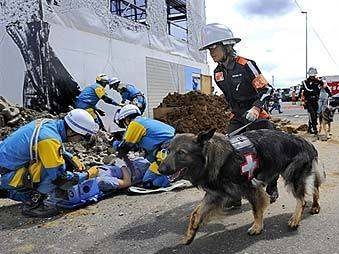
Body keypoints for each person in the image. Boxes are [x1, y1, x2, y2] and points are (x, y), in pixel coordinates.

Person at [199, 23, 278, 205]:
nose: (211, 53)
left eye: (214, 47)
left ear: (227, 45)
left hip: (257, 115)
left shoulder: (246, 65)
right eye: (209, 49)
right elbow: (228, 96)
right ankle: (234, 196)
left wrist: (256, 108)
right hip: (237, 117)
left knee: (270, 152)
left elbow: (267, 90)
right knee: (231, 154)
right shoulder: (218, 73)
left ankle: (272, 185)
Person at [0, 109, 100, 217]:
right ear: (71, 131)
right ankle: (32, 205)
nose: (78, 140)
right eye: (81, 137)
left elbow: (57, 149)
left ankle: (5, 191)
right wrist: (88, 174)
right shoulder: (49, 140)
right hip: (8, 176)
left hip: (7, 168)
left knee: (60, 162)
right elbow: (60, 179)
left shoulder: (49, 124)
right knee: (53, 174)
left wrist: (73, 157)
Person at [114, 104, 175, 188]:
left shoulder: (135, 124)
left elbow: (124, 148)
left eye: (124, 121)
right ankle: (171, 172)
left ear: (127, 119)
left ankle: (170, 176)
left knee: (148, 182)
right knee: (149, 156)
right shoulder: (144, 121)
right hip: (174, 147)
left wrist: (118, 160)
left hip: (168, 152)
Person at [299, 67, 322, 134]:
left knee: (315, 115)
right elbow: (304, 91)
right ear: (309, 75)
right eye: (311, 76)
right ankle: (315, 128)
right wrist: (302, 100)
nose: (313, 77)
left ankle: (309, 128)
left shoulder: (318, 81)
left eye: (314, 76)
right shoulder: (305, 82)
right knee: (312, 114)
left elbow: (324, 85)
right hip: (308, 100)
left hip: (315, 100)